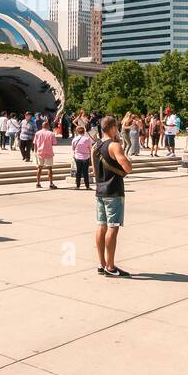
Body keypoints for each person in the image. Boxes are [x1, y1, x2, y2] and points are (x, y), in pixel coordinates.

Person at [91, 115, 132, 277]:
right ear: (113, 128)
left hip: (100, 190)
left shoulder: (95, 146)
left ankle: (101, 264)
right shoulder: (115, 146)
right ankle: (111, 266)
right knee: (113, 228)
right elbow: (127, 168)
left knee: (101, 226)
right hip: (114, 190)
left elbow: (94, 171)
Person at [34, 119, 58, 189]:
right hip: (48, 152)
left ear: (42, 126)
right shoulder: (51, 133)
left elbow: (35, 143)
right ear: (48, 126)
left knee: (39, 168)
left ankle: (38, 183)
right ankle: (51, 183)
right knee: (49, 168)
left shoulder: (37, 133)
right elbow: (54, 143)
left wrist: (35, 152)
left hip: (40, 152)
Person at [71, 124, 94, 190]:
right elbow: (90, 148)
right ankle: (87, 186)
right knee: (85, 172)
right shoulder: (87, 139)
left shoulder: (74, 139)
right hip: (86, 157)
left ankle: (77, 185)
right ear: (84, 132)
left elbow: (73, 148)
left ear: (77, 132)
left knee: (78, 171)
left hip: (77, 157)